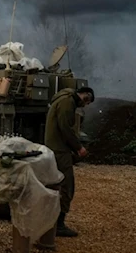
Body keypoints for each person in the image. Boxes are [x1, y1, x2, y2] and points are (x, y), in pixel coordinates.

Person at [44, 86, 95, 237]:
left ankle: (49, 220)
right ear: (85, 95)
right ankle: (58, 225)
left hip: (54, 146)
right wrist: (78, 147)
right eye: (87, 101)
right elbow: (65, 128)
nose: (85, 105)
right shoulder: (68, 103)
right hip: (60, 149)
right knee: (67, 185)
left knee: (53, 183)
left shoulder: (63, 98)